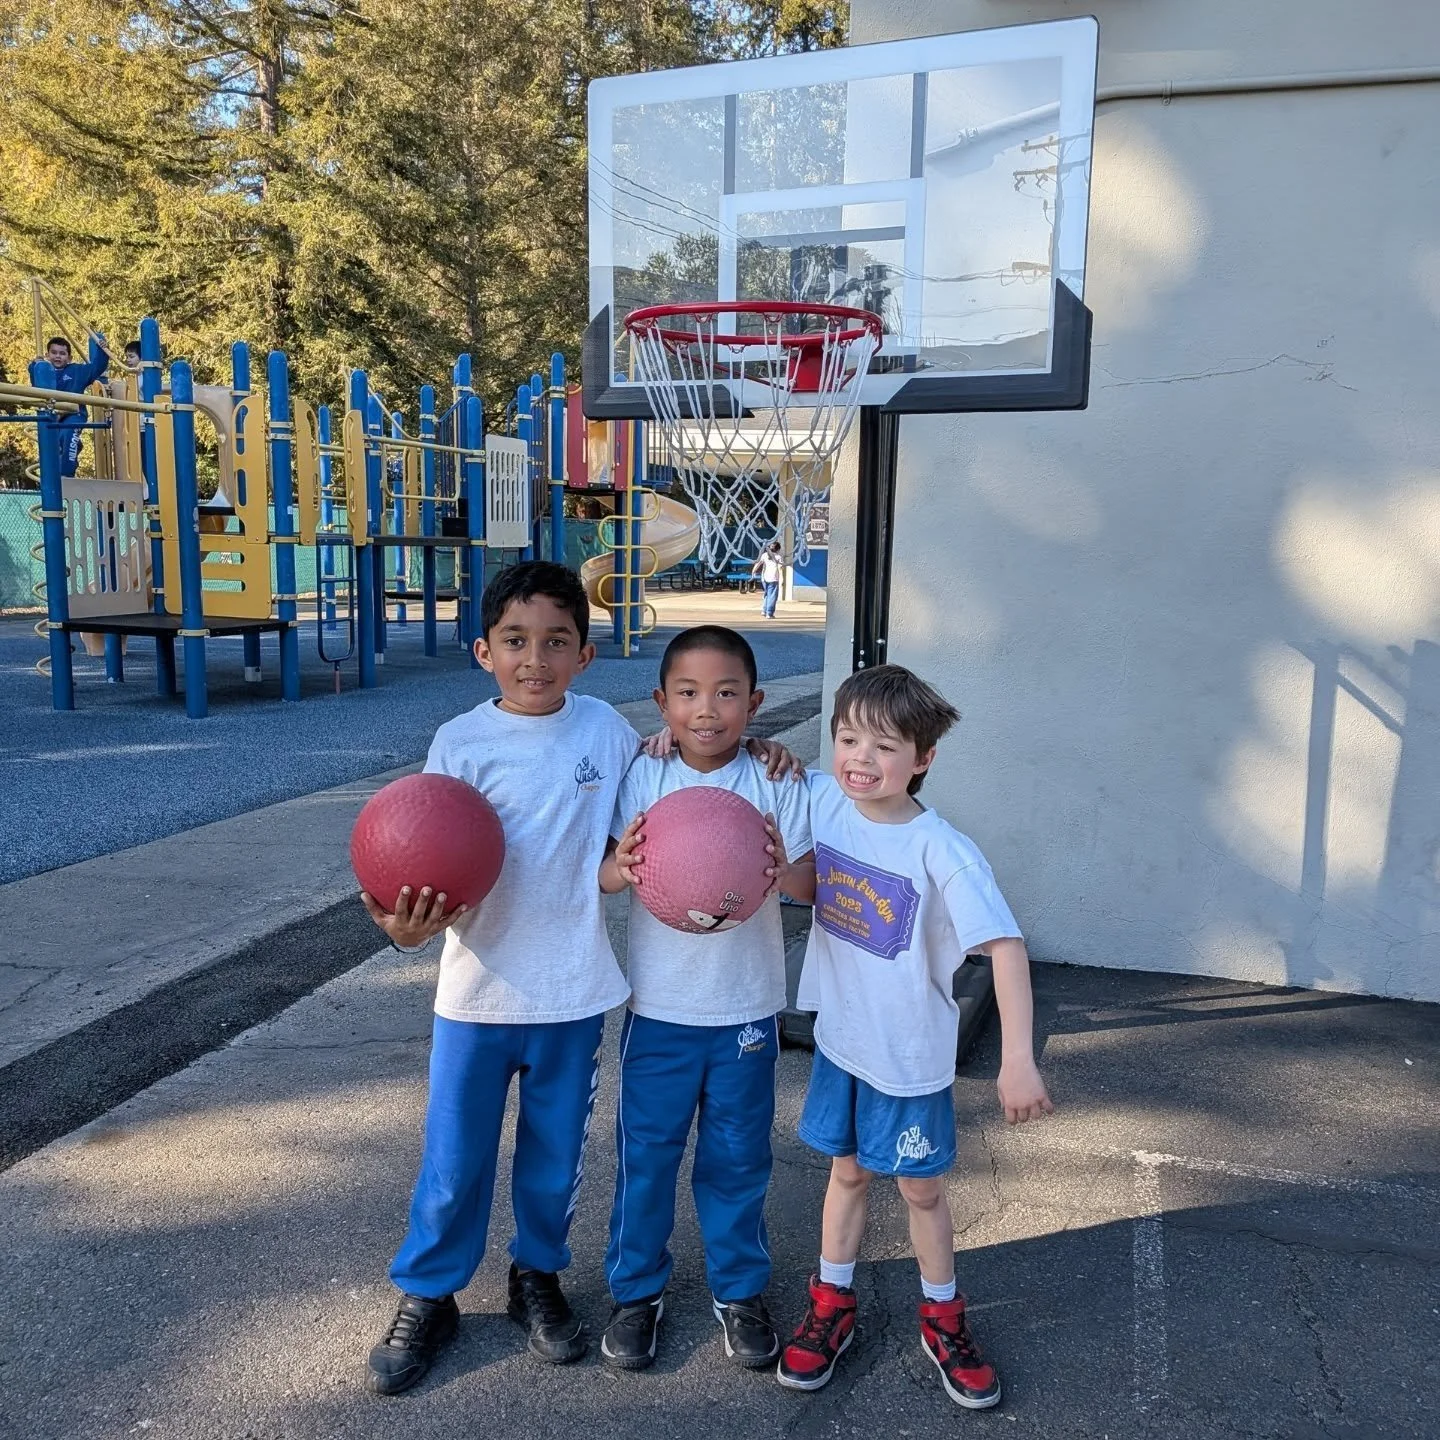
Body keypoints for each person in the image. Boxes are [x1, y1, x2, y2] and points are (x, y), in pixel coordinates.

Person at [359, 563, 800, 1397]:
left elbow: (679, 776)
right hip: (476, 992)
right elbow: (423, 853)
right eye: (517, 641)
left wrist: (752, 745)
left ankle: (538, 1280)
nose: (537, 658)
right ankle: (428, 1292)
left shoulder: (606, 733)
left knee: (553, 1163)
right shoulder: (460, 741)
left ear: (586, 656)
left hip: (574, 993)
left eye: (557, 641)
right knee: (454, 1160)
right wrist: (399, 926)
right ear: (483, 649)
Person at [774, 664, 1053, 1409]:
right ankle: (832, 1303)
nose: (861, 758)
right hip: (841, 1043)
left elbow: (1006, 947)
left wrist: (1018, 1059)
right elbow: (760, 772)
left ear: (923, 759)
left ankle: (944, 1317)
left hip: (908, 1060)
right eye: (847, 738)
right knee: (847, 1174)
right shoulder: (825, 797)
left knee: (922, 1191)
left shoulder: (943, 850)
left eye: (884, 746)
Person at [597, 625, 815, 1371]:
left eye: (727, 693)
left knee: (737, 1158)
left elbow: (812, 885)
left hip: (747, 1011)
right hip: (659, 1011)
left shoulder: (778, 780)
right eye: (688, 693)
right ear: (662, 702)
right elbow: (601, 871)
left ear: (755, 703)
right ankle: (636, 1293)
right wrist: (618, 872)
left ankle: (740, 1290)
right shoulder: (643, 777)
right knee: (647, 1157)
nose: (707, 709)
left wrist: (784, 873)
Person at [30, 334, 109, 478]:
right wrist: (34, 366)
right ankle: (58, 469)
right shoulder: (44, 371)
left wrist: (103, 351)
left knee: (69, 434)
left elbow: (96, 368)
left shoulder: (76, 371)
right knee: (53, 444)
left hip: (73, 415)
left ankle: (66, 474)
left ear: (69, 357)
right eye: (54, 353)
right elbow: (36, 385)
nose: (58, 357)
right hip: (53, 416)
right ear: (47, 355)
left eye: (62, 353)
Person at [751, 541, 783, 618]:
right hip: (774, 578)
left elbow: (758, 564)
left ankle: (764, 610)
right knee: (772, 596)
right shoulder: (778, 557)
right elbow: (780, 568)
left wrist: (753, 572)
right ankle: (769, 613)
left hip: (764, 578)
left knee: (767, 594)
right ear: (778, 550)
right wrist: (782, 580)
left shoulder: (764, 555)